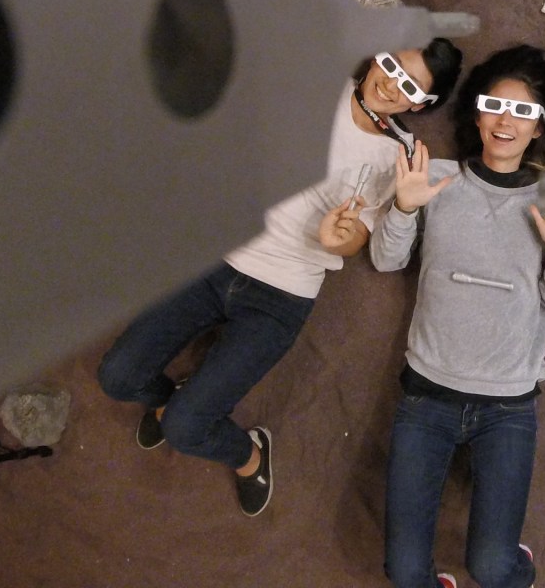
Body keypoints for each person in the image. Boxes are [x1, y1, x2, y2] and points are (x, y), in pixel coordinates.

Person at [97, 40, 462, 516]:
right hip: (214, 258)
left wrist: (340, 239)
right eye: (391, 65)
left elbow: (362, 241)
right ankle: (175, 402)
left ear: (421, 104)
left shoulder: (401, 154)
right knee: (118, 377)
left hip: (282, 293)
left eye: (409, 86)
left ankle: (249, 455)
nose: (392, 84)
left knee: (187, 431)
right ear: (376, 57)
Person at [371, 45, 545, 588]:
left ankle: (517, 563)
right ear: (477, 114)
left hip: (508, 404)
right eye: (494, 106)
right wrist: (405, 206)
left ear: (539, 128)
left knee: (493, 569)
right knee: (404, 572)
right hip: (427, 395)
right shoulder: (435, 177)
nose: (506, 121)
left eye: (523, 112)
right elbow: (386, 259)